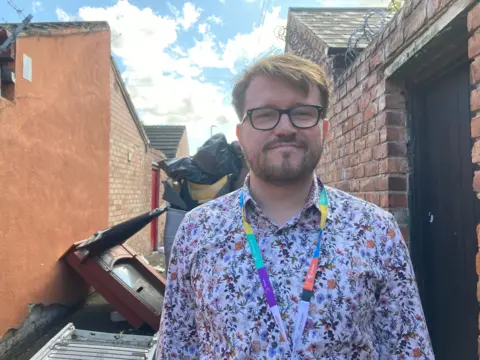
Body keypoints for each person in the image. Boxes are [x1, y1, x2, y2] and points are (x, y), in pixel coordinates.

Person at [156, 54, 434, 359]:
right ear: (241, 134)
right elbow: (177, 348)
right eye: (264, 114)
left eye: (302, 113)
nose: (285, 128)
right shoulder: (198, 230)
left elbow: (408, 350)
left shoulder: (376, 230)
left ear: (324, 130)